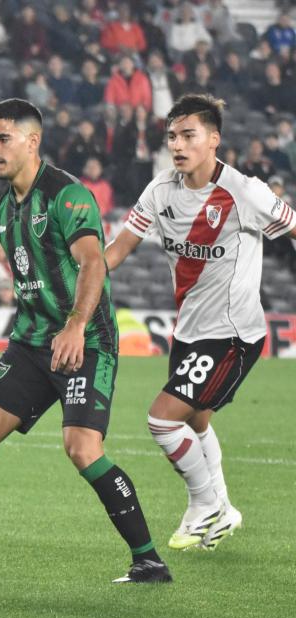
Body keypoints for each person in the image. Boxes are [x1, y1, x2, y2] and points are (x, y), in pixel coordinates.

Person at [0, 99, 170, 584]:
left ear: (31, 141)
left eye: (2, 139)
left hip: (86, 340)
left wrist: (77, 324)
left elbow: (92, 263)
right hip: (31, 341)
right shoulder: (0, 208)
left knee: (81, 448)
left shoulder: (68, 195)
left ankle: (148, 560)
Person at [104, 94, 296, 551]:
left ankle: (206, 503)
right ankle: (220, 511)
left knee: (163, 420)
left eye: (188, 135)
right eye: (172, 135)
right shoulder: (160, 190)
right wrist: (81, 275)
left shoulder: (245, 191)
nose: (177, 144)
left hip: (233, 334)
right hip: (188, 331)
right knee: (198, 422)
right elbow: (119, 248)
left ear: (214, 140)